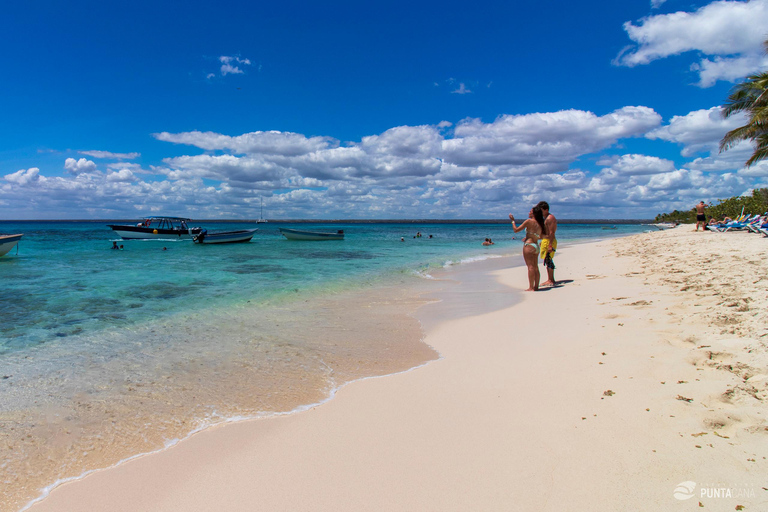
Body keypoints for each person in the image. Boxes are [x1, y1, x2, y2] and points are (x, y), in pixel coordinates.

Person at [509, 207, 547, 291]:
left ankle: (530, 287)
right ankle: (536, 287)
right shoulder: (541, 222)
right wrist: (531, 236)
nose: (529, 212)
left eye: (530, 211)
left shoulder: (529, 221)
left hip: (529, 245)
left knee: (530, 267)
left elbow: (516, 230)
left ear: (533, 213)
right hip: (536, 246)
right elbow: (543, 236)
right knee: (536, 266)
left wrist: (512, 221)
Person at [536, 201, 558, 286]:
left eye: (541, 210)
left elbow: (552, 233)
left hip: (550, 241)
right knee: (547, 259)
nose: (540, 212)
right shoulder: (546, 218)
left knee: (548, 259)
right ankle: (550, 279)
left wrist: (550, 245)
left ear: (546, 209)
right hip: (546, 240)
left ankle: (551, 280)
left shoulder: (550, 218)